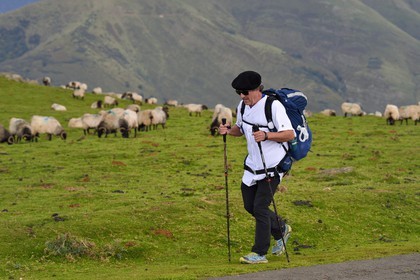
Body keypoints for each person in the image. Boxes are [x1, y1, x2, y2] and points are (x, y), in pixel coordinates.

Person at [219, 71, 295, 264]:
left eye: (245, 92)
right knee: (249, 206)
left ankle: (259, 253)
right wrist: (228, 130)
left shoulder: (273, 106)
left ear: (256, 89)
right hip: (252, 165)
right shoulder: (242, 107)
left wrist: (267, 135)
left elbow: (289, 134)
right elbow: (240, 128)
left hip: (272, 166)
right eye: (239, 92)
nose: (242, 96)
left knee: (260, 207)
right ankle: (281, 229)